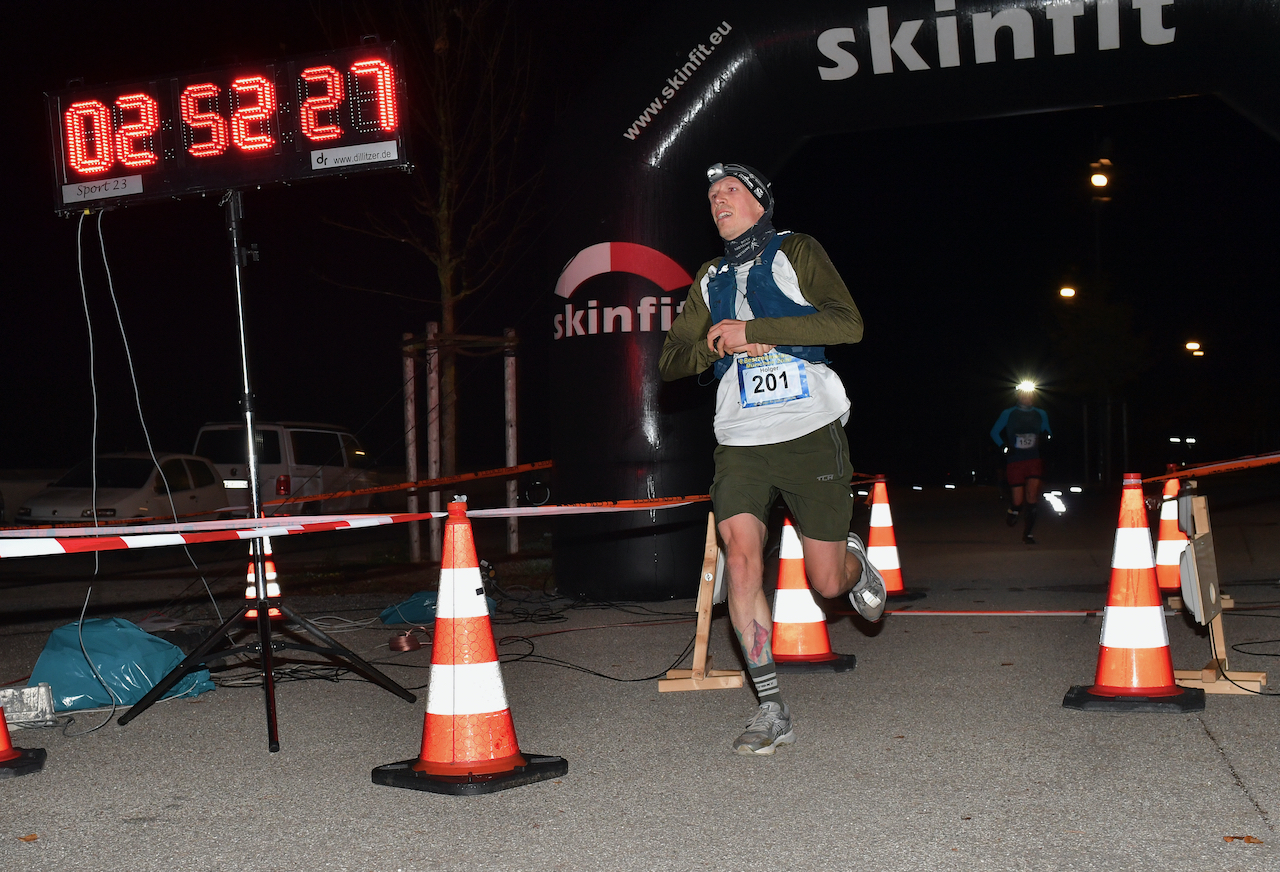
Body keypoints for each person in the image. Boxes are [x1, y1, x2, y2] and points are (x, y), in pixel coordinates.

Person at [659, 162, 886, 756]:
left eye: (730, 191)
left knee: (824, 582)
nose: (718, 201)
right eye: (710, 196)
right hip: (740, 436)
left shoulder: (797, 250)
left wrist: (764, 330)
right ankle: (770, 706)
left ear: (759, 202)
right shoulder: (708, 278)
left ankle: (853, 564)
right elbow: (671, 359)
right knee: (740, 557)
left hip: (809, 428)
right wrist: (716, 342)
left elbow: (849, 324)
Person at [990, 384, 1052, 544]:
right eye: (1024, 395)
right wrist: (1003, 446)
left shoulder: (1041, 413)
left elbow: (1048, 431)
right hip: (1015, 459)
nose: (1027, 398)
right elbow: (994, 432)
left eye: (1030, 395)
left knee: (1032, 497)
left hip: (1033, 458)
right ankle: (1013, 511)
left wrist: (1047, 436)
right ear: (1018, 396)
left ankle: (1028, 534)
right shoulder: (1008, 413)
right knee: (1018, 501)